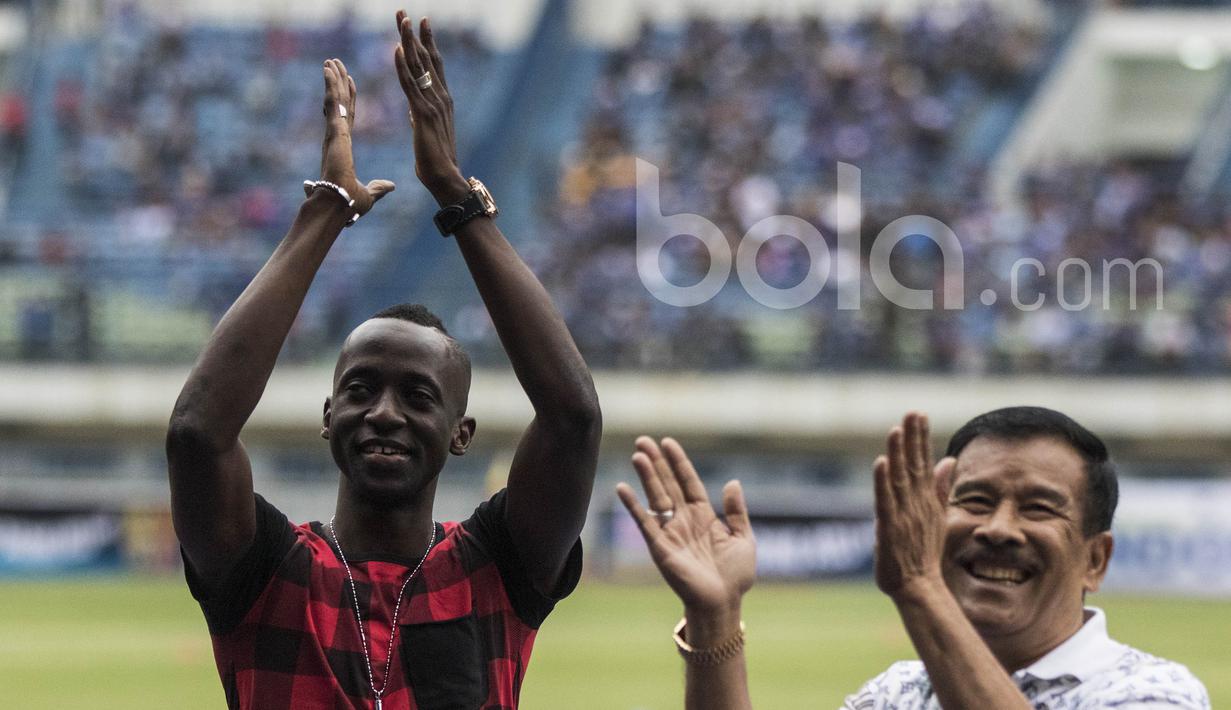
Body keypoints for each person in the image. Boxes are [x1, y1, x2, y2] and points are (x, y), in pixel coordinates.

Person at [166, 12, 601, 710]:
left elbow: (572, 418)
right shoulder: (267, 573)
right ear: (327, 415)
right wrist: (327, 211)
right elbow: (196, 434)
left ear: (461, 433)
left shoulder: (497, 566)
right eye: (360, 389)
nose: (384, 414)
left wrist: (456, 195)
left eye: (419, 396)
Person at [616, 407, 1210, 709]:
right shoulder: (897, 694)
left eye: (1037, 508)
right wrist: (715, 618)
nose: (999, 529)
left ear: (1095, 560)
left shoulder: (1154, 693)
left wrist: (921, 586)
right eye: (975, 500)